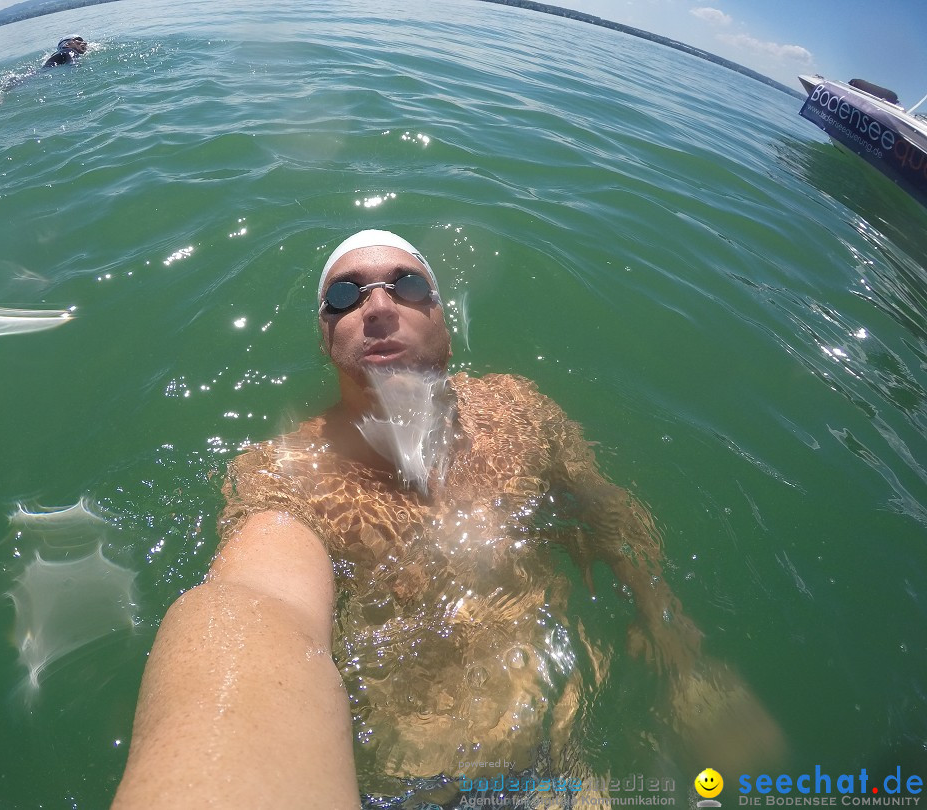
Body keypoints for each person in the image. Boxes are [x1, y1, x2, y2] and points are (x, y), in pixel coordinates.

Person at [112, 231, 784, 810]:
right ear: (326, 334)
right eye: (345, 296)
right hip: (408, 788)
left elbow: (603, 515)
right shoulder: (285, 474)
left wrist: (681, 651)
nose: (377, 306)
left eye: (405, 284)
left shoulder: (519, 411)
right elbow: (256, 605)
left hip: (563, 756)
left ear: (443, 315)